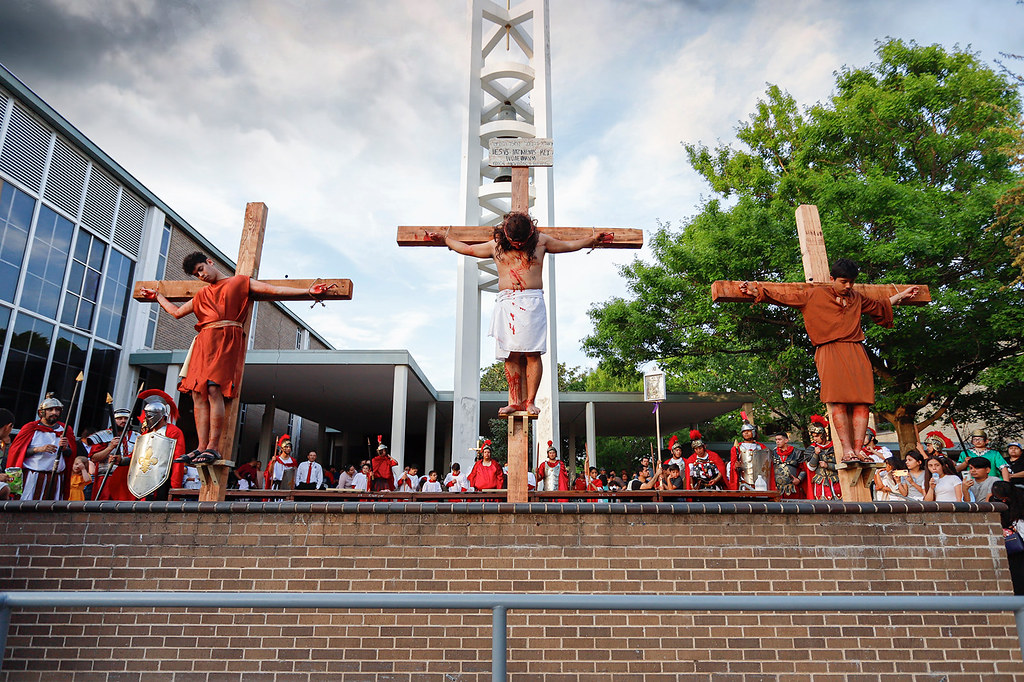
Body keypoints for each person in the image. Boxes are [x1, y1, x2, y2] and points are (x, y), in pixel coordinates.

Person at [141, 252, 335, 464]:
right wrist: (158, 297)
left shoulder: (239, 282)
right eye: (196, 274)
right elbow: (177, 312)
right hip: (203, 341)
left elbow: (274, 289)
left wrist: (307, 291)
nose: (201, 275)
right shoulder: (202, 294)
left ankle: (213, 446)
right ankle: (201, 447)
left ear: (210, 262)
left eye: (201, 269)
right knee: (197, 393)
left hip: (226, 338)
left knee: (213, 389)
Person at [427, 212, 612, 416]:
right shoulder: (496, 246)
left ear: (530, 232)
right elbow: (468, 249)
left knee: (533, 354)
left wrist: (592, 240)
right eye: (514, 242)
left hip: (532, 303)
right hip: (507, 303)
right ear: (506, 234)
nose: (518, 245)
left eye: (521, 241)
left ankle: (530, 401)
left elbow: (568, 245)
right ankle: (515, 401)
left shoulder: (541, 242)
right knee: (510, 354)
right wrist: (446, 239)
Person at [738, 259, 920, 462]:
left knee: (863, 402)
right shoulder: (815, 294)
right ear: (832, 279)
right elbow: (784, 298)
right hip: (829, 349)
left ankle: (858, 449)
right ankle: (847, 450)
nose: (848, 286)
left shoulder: (856, 297)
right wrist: (758, 292)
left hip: (856, 348)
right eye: (844, 281)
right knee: (838, 401)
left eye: (851, 282)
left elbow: (879, 306)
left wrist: (901, 295)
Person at [8, 395, 78, 500]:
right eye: (50, 410)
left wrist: (65, 449)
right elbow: (17, 452)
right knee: (27, 505)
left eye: (57, 410)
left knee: (52, 507)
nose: (54, 413)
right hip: (32, 476)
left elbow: (71, 454)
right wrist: (38, 449)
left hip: (56, 478)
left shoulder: (65, 430)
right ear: (41, 412)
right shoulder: (31, 428)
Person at [89, 407, 137, 501]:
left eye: (126, 418)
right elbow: (94, 458)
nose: (123, 421)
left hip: (128, 479)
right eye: (119, 418)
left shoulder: (138, 437)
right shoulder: (103, 436)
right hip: (107, 478)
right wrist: (110, 447)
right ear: (113, 420)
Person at [990, 481, 1024, 594]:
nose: (1003, 501)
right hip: (1013, 545)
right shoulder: (994, 501)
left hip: (1020, 534)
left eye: (1005, 498)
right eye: (1000, 498)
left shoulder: (1020, 498)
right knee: (1017, 575)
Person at [804, 415, 841, 500]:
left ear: (823, 435)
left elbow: (841, 465)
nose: (815, 439)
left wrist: (827, 465)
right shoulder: (811, 448)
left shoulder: (835, 447)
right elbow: (811, 467)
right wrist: (816, 454)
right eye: (813, 436)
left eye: (817, 436)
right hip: (820, 481)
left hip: (835, 481)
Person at [729, 418, 769, 490]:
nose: (746, 433)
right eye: (744, 431)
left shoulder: (761, 447)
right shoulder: (737, 448)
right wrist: (735, 466)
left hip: (760, 481)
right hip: (744, 480)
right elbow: (733, 467)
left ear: (753, 432)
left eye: (748, 431)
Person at [767, 431, 808, 499]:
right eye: (776, 440)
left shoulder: (797, 453)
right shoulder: (773, 453)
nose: (777, 441)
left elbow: (803, 469)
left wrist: (799, 479)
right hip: (777, 488)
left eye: (779, 439)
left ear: (786, 440)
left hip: (792, 488)